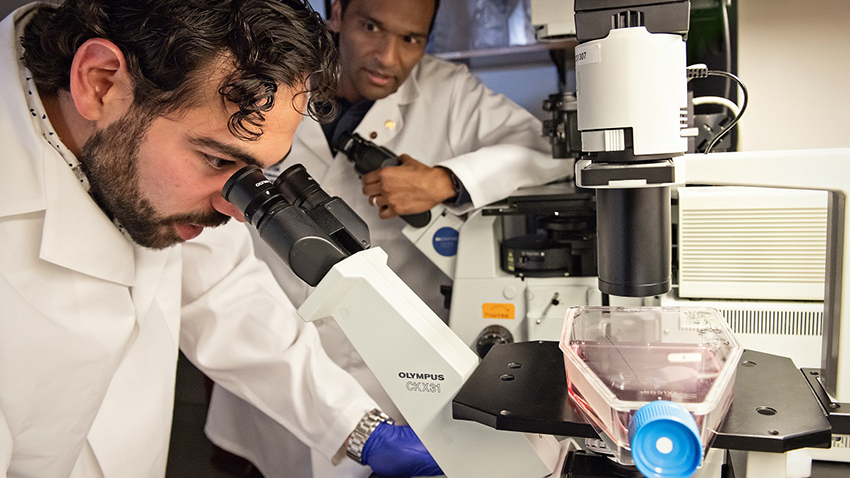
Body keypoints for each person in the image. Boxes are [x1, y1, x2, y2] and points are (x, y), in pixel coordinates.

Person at [0, 1, 442, 477]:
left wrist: (360, 428)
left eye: (255, 173)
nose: (235, 211)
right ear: (101, 82)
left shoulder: (148, 154)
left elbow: (225, 295)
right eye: (217, 161)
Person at [205, 0, 573, 477]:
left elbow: (544, 148)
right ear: (336, 13)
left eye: (410, 39)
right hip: (266, 353)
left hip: (392, 376)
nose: (388, 56)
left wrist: (448, 179)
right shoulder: (264, 82)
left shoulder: (449, 93)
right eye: (371, 27)